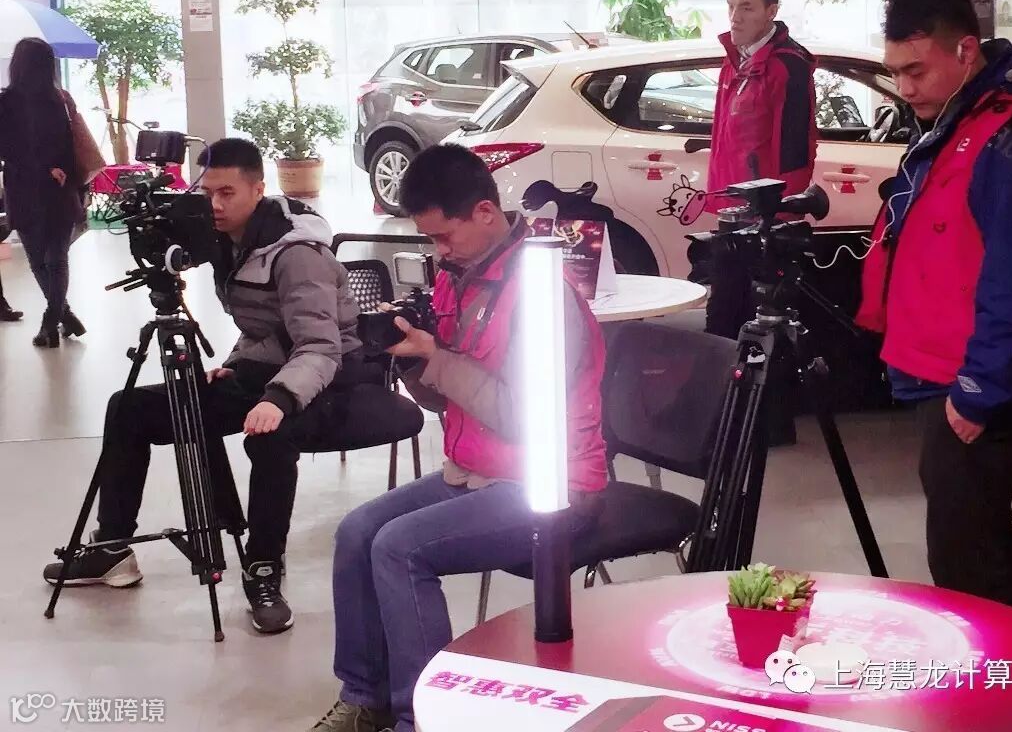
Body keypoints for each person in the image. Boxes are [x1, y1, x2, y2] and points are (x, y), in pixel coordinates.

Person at [42, 137, 422, 635]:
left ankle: (262, 569)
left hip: (333, 382)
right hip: (269, 372)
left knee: (269, 437)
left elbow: (319, 347)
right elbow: (263, 325)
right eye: (208, 194)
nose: (216, 205)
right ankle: (112, 548)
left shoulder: (297, 254)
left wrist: (278, 399)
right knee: (128, 407)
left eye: (228, 193)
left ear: (258, 190)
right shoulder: (230, 241)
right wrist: (235, 364)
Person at [309, 144, 606, 732]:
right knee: (357, 531)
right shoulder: (458, 280)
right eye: (429, 240)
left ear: (485, 213)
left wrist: (437, 357)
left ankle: (422, 718)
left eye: (444, 236)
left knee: (400, 548)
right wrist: (413, 358)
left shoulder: (543, 293)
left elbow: (525, 416)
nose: (439, 251)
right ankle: (365, 697)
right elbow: (443, 401)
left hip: (552, 483)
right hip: (474, 471)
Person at [854, 0, 1012, 620]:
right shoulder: (952, 123)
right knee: (971, 551)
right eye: (895, 72)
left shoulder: (1011, 137)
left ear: (966, 50)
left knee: (971, 558)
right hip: (938, 369)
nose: (904, 88)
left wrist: (980, 387)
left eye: (916, 71)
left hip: (973, 381)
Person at [703, 0, 817, 340]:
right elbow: (724, 140)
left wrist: (779, 216)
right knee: (722, 322)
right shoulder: (734, 60)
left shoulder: (787, 65)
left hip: (763, 221)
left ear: (771, 11)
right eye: (731, 6)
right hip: (732, 214)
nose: (735, 17)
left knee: (753, 329)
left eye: (747, 7)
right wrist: (719, 203)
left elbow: (795, 149)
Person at [0, 37, 87, 345]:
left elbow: (7, 149)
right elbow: (70, 145)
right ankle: (60, 315)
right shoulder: (60, 99)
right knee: (57, 258)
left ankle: (54, 320)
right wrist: (57, 170)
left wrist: (40, 167)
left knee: (39, 260)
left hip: (24, 190)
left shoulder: (5, 102)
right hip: (59, 189)